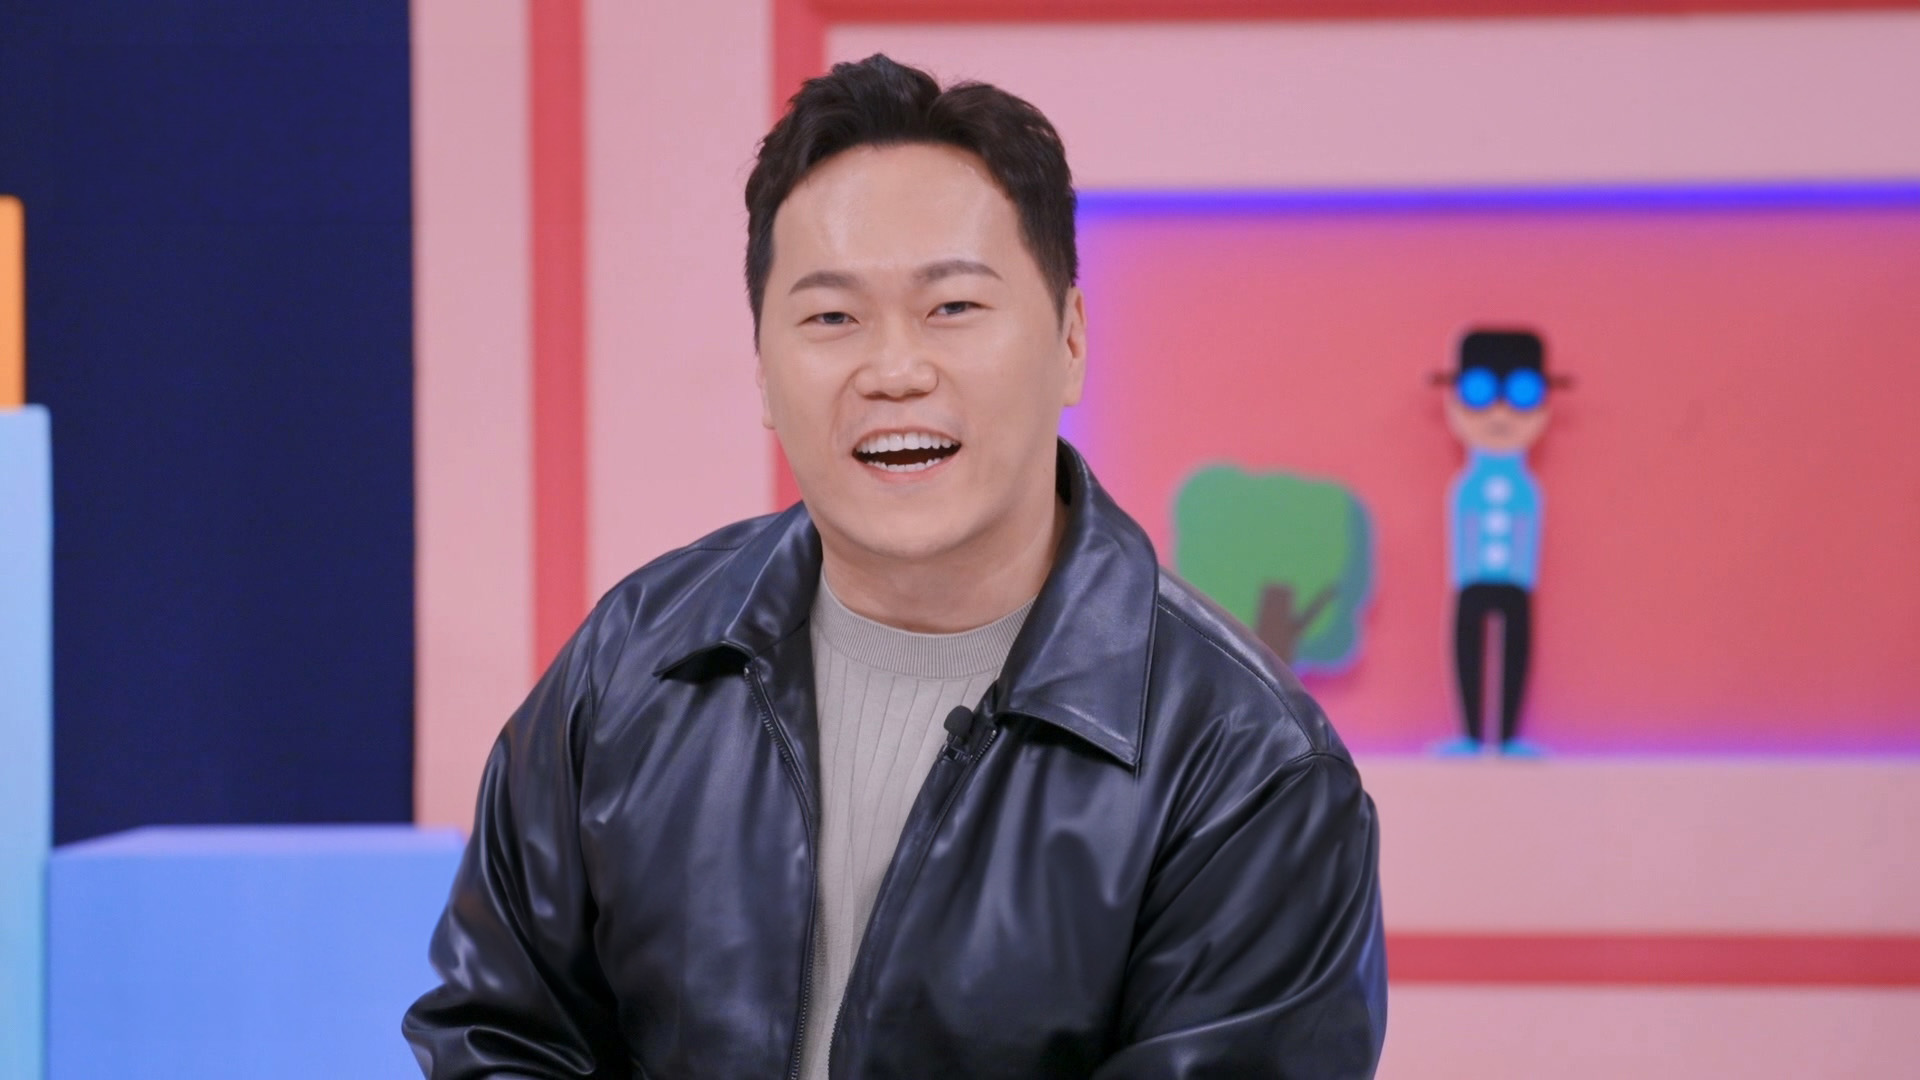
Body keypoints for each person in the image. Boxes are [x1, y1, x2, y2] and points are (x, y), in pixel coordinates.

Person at [405, 54, 1386, 1079]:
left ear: (1070, 339)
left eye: (952, 307)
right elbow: (500, 1033)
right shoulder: (634, 661)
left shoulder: (1248, 766)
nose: (895, 370)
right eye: (832, 317)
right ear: (763, 368)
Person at [1433, 329, 1563, 757]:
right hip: (1470, 583)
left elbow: (1528, 535)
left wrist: (1523, 576)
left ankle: (1506, 738)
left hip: (1516, 586)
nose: (1501, 411)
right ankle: (1472, 736)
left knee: (1515, 653)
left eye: (1523, 394)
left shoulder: (1527, 488)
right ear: (1454, 400)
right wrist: (1462, 576)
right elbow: (1462, 534)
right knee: (1468, 652)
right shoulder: (1465, 486)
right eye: (1479, 393)